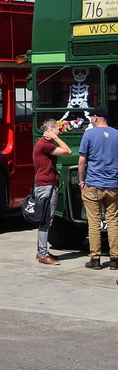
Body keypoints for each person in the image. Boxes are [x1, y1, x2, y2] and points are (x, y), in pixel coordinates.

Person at [77, 106, 118, 270]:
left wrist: (81, 181)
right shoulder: (116, 134)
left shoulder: (89, 134)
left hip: (93, 184)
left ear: (95, 117)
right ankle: (115, 259)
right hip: (113, 185)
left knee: (94, 223)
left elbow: (81, 161)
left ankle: (95, 259)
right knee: (113, 221)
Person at [31, 118, 72, 265]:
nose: (59, 131)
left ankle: (42, 251)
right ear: (51, 129)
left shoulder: (43, 144)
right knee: (46, 220)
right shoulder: (45, 144)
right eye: (57, 129)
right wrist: (56, 138)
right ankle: (42, 254)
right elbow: (68, 151)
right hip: (46, 185)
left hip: (44, 184)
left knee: (45, 219)